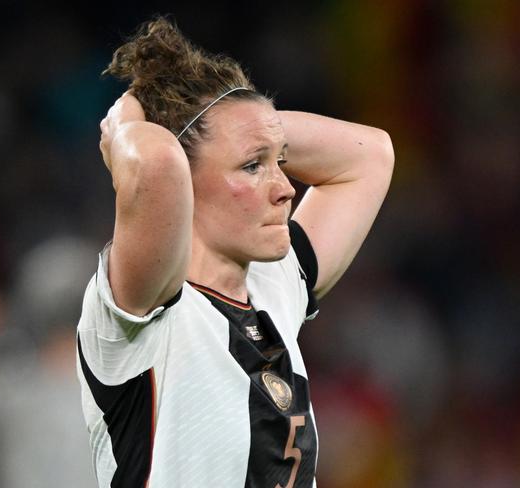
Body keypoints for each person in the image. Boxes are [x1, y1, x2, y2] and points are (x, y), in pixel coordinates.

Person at [76, 16, 394, 488]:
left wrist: (246, 126)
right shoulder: (144, 311)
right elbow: (158, 162)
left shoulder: (273, 287)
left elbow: (370, 155)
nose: (286, 188)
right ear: (187, 182)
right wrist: (124, 121)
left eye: (279, 161)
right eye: (252, 167)